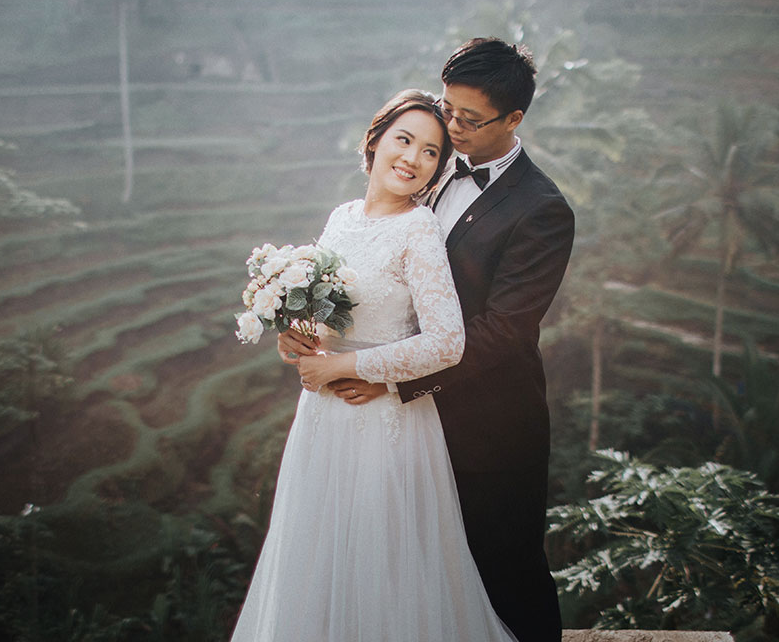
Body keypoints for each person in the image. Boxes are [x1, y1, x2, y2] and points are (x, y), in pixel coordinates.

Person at [293, 38, 575, 642]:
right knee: (408, 573)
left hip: (487, 423)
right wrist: (310, 330)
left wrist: (388, 375)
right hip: (398, 427)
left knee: (505, 573)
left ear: (514, 119)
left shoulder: (543, 209)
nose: (452, 128)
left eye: (469, 120)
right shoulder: (426, 168)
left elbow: (506, 329)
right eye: (448, 110)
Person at [230, 89, 518, 642]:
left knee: (382, 563)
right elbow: (328, 313)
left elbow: (447, 343)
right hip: (322, 420)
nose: (413, 159)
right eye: (404, 141)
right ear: (376, 140)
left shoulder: (420, 231)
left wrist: (359, 369)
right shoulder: (341, 218)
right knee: (316, 553)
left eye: (431, 152)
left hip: (385, 423)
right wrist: (297, 335)